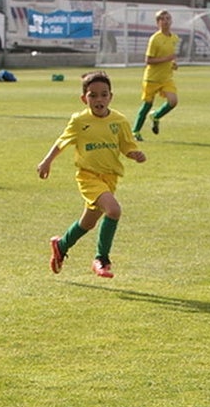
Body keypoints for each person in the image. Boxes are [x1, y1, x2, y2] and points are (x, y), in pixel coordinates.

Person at [37, 71, 146, 279]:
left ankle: (61, 245)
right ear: (83, 98)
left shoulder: (119, 120)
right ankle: (101, 259)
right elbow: (62, 142)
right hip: (88, 177)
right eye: (93, 95)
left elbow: (126, 145)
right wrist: (47, 161)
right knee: (113, 210)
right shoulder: (79, 120)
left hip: (109, 178)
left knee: (87, 223)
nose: (99, 100)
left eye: (103, 94)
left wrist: (135, 154)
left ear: (111, 97)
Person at [132, 9, 179, 140]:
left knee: (173, 101)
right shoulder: (154, 39)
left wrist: (173, 64)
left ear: (171, 21)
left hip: (166, 78)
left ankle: (156, 116)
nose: (166, 21)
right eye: (162, 19)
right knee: (147, 105)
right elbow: (148, 60)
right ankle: (135, 131)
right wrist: (167, 59)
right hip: (152, 78)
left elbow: (171, 56)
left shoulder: (174, 38)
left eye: (168, 18)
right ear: (158, 22)